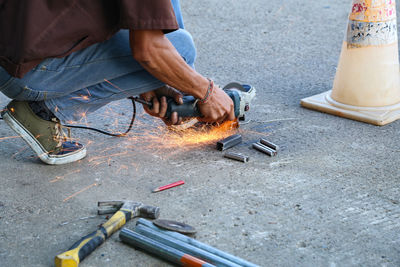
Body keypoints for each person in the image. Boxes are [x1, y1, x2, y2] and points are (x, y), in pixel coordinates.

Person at [0, 1, 234, 165]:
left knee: (166, 10)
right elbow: (148, 50)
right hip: (21, 69)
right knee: (181, 47)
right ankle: (43, 112)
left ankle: (182, 96)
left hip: (15, 41)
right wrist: (207, 92)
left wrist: (152, 78)